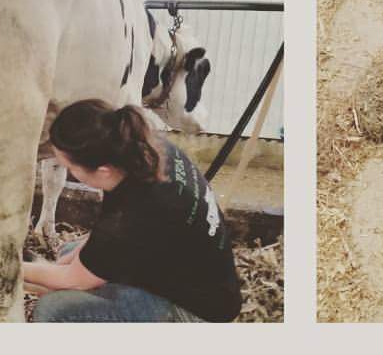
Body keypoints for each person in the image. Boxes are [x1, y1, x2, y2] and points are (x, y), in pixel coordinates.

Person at [25, 100, 243, 323]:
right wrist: (61, 268)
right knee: (69, 252)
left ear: (103, 171)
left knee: (53, 310)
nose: (69, 172)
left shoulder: (133, 216)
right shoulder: (144, 150)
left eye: (70, 168)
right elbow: (100, 248)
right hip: (205, 280)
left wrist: (11, 268)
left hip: (196, 313)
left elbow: (74, 279)